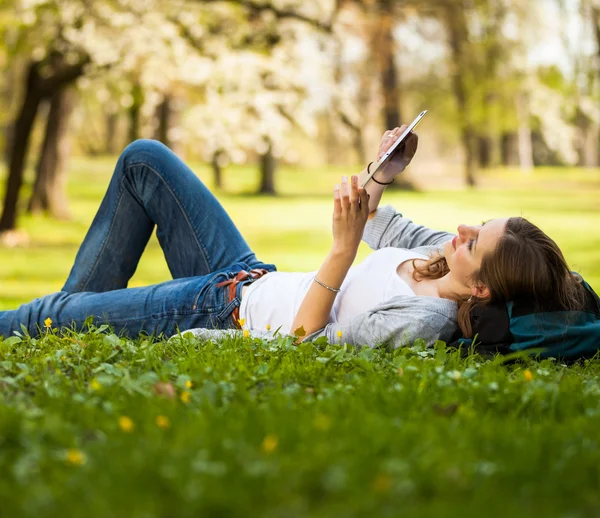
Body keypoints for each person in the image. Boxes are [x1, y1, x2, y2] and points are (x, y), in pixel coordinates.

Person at [0, 128, 586, 349]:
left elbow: (305, 338)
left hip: (229, 309)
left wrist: (342, 248)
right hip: (249, 273)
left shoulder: (419, 321)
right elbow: (381, 220)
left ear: (481, 290)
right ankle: (64, 324)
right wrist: (382, 171)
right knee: (144, 161)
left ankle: (56, 323)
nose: (460, 231)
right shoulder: (441, 256)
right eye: (475, 224)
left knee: (56, 313)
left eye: (473, 241)